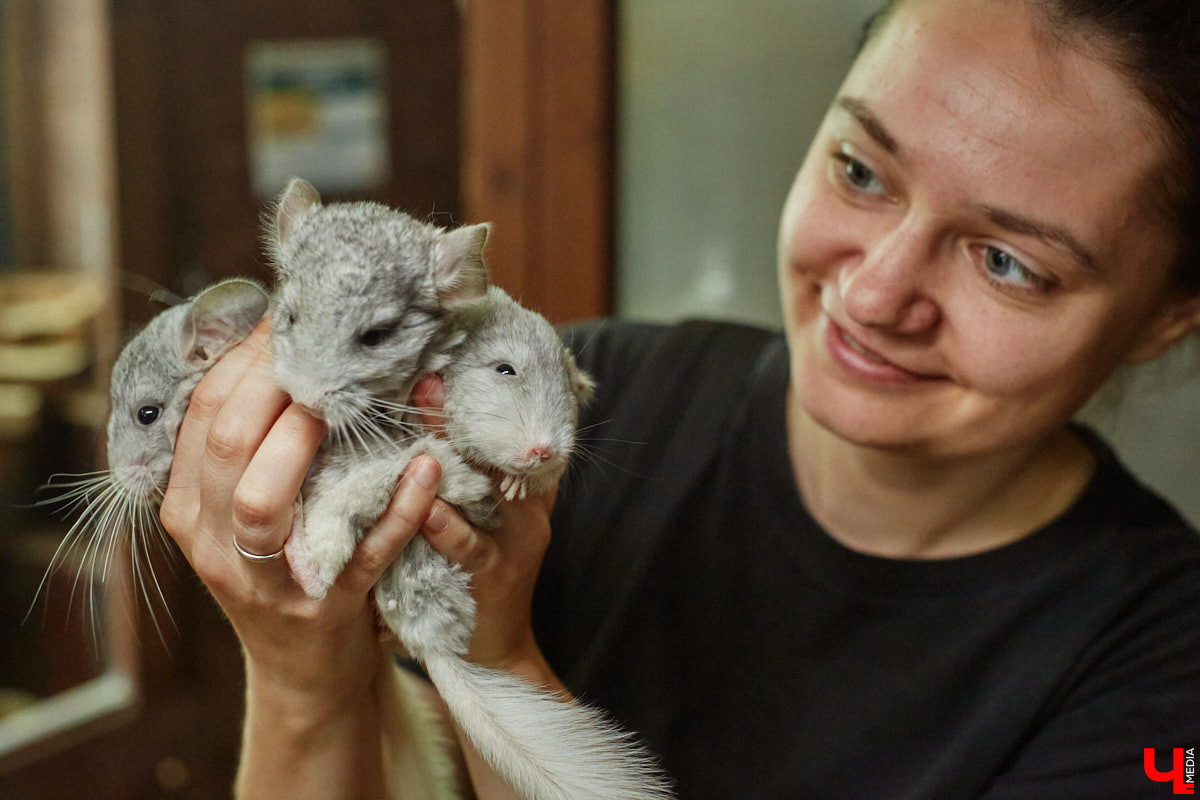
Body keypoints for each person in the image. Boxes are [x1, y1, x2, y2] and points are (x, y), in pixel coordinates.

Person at [159, 0, 1200, 796]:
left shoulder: (1159, 672)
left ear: (1168, 311)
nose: (876, 291)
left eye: (1008, 261)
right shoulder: (570, 404)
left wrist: (503, 656)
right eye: (861, 170)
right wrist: (300, 664)